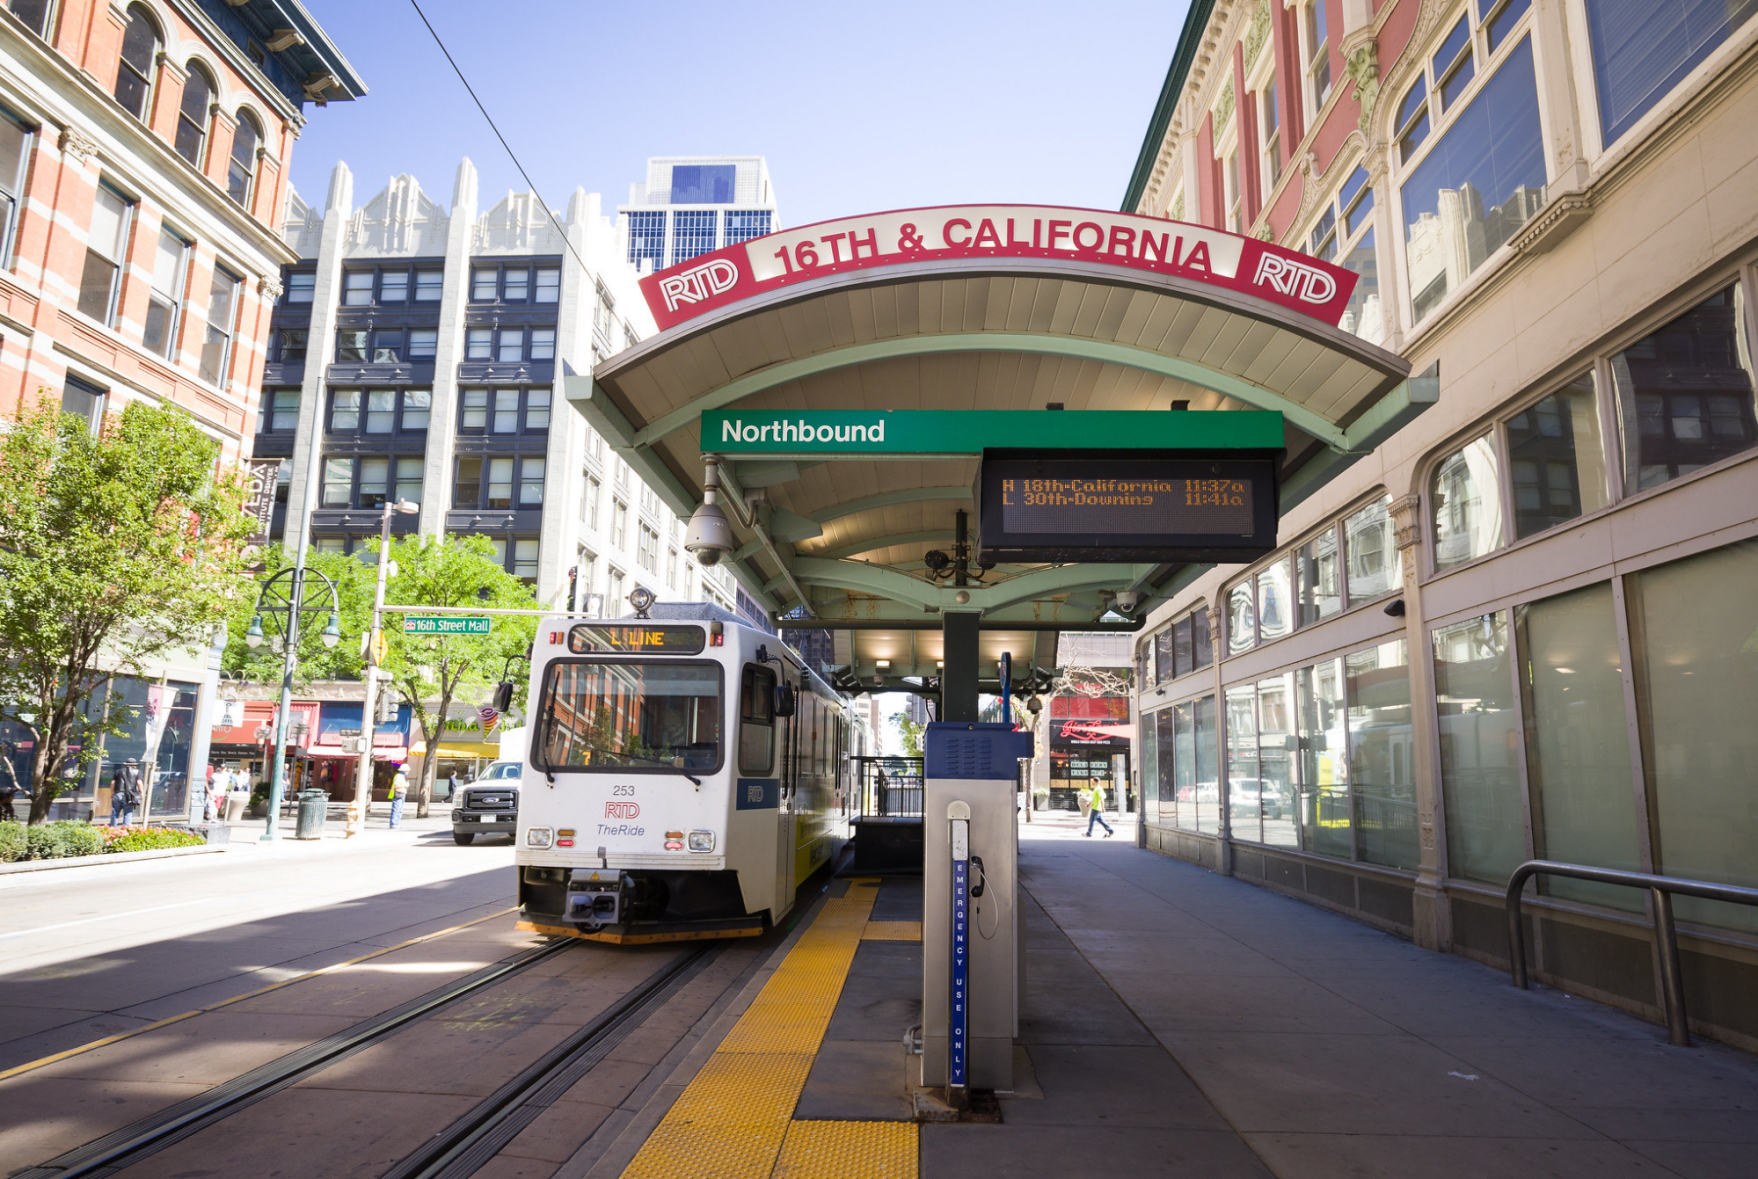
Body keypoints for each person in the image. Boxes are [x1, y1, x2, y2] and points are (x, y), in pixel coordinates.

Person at [111, 758, 143, 827]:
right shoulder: (137, 772)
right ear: (134, 765)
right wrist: (142, 793)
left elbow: (113, 783)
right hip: (129, 795)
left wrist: (112, 793)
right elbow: (139, 783)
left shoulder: (118, 771)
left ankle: (112, 829)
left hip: (117, 793)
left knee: (115, 812)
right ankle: (125, 830)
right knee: (128, 812)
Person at [388, 763, 409, 828]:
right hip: (398, 795)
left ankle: (396, 823)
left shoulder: (401, 776)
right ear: (404, 770)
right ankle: (394, 824)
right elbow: (396, 786)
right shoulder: (399, 776)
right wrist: (405, 785)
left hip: (401, 795)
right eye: (407, 771)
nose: (408, 772)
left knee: (399, 810)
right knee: (397, 810)